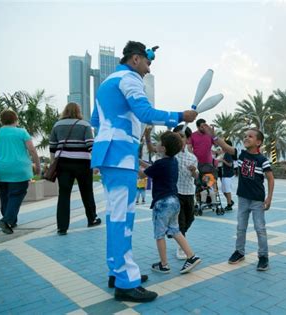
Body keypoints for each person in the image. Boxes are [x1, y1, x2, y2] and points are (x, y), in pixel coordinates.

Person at [91, 40, 197, 302]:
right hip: (121, 155)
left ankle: (119, 272)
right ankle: (126, 282)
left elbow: (95, 120)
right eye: (148, 63)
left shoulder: (107, 83)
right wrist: (180, 116)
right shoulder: (129, 79)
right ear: (136, 59)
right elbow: (145, 112)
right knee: (122, 219)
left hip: (109, 153)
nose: (148, 70)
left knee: (115, 216)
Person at [204, 126, 275, 271]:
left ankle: (263, 256)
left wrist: (269, 198)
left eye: (250, 136)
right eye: (245, 136)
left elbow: (270, 179)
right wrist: (215, 137)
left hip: (257, 200)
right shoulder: (241, 155)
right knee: (240, 227)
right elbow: (226, 147)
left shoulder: (263, 160)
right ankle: (239, 252)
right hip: (243, 198)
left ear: (258, 142)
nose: (246, 138)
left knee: (260, 229)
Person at [141, 131, 201, 274]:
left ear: (164, 148)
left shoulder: (160, 163)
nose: (157, 145)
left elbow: (143, 173)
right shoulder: (173, 161)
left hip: (162, 203)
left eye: (160, 143)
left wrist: (133, 165)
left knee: (159, 234)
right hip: (174, 201)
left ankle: (164, 264)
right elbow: (151, 167)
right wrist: (139, 162)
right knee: (175, 230)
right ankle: (191, 256)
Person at [49, 102, 101, 236]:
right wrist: (95, 164)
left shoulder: (57, 125)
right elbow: (90, 145)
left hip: (63, 164)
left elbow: (52, 148)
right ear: (78, 111)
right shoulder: (84, 125)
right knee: (87, 192)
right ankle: (92, 219)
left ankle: (62, 227)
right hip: (82, 164)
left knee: (64, 194)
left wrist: (53, 164)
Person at [0, 109, 41, 234]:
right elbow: (32, 150)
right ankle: (6, 220)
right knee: (16, 195)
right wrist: (37, 166)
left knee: (5, 196)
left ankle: (12, 221)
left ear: (2, 120)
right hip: (19, 170)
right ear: (15, 120)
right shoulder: (21, 132)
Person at [172, 124, 199, 260]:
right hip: (175, 193)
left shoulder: (192, 157)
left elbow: (196, 176)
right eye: (176, 137)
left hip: (189, 192)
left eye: (181, 136)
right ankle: (181, 247)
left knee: (190, 219)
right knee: (181, 221)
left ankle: (177, 234)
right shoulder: (171, 155)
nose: (179, 139)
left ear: (188, 139)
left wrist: (194, 171)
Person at [219, 139, 235, 211]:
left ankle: (229, 205)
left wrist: (223, 161)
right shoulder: (226, 153)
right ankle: (230, 201)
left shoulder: (228, 154)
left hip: (228, 175)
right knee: (223, 190)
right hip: (225, 175)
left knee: (227, 190)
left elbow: (230, 164)